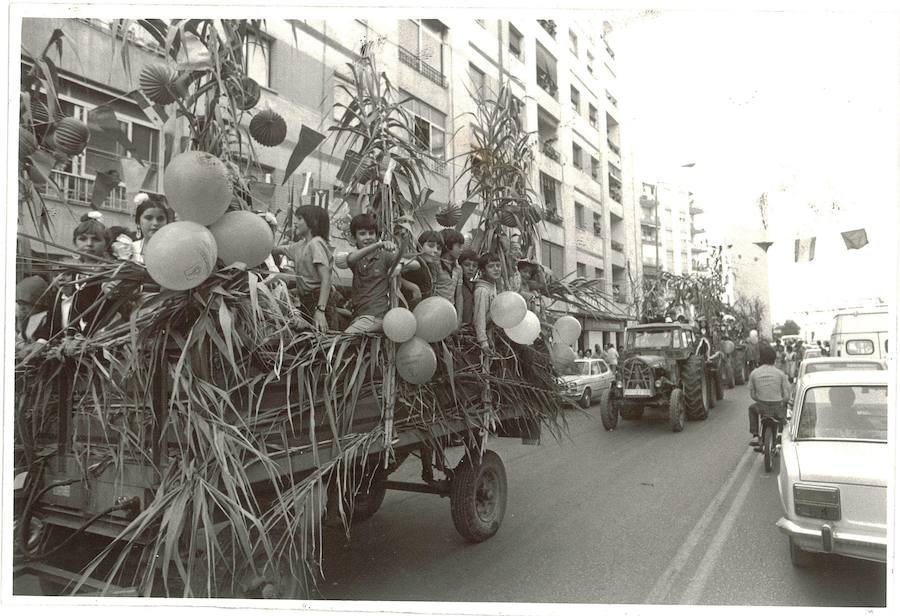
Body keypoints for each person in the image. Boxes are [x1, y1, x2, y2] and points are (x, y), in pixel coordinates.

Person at [339, 213, 399, 334]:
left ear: (377, 235)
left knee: (342, 341)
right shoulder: (356, 259)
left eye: (371, 233)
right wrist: (377, 244)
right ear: (354, 238)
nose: (368, 237)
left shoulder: (384, 256)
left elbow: (415, 264)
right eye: (362, 234)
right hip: (358, 316)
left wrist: (399, 262)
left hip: (375, 316)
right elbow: (349, 260)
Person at [286, 205, 334, 331]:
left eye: (300, 218)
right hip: (306, 302)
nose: (295, 222)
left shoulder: (316, 243)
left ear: (313, 222)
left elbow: (326, 279)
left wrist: (320, 310)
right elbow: (278, 249)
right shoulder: (301, 245)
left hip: (318, 301)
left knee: (321, 343)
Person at [747, 344, 791, 447]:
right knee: (785, 416)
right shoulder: (780, 374)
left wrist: (761, 399)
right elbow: (786, 396)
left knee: (752, 409)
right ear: (774, 359)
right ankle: (781, 436)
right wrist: (781, 402)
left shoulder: (754, 373)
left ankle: (755, 435)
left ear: (761, 358)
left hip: (761, 407)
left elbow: (752, 394)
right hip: (777, 407)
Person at [126, 193, 173, 265]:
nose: (155, 223)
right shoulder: (130, 249)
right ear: (138, 222)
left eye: (160, 219)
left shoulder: (173, 250)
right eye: (149, 218)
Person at [473, 252, 502, 354]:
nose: (496, 269)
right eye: (491, 267)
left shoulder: (492, 286)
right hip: (480, 336)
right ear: (483, 271)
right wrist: (483, 342)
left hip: (491, 331)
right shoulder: (482, 290)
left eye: (498, 265)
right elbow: (479, 317)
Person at [458, 248, 478, 326]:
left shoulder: (475, 285)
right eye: (467, 265)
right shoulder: (456, 286)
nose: (471, 268)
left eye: (474, 266)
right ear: (460, 266)